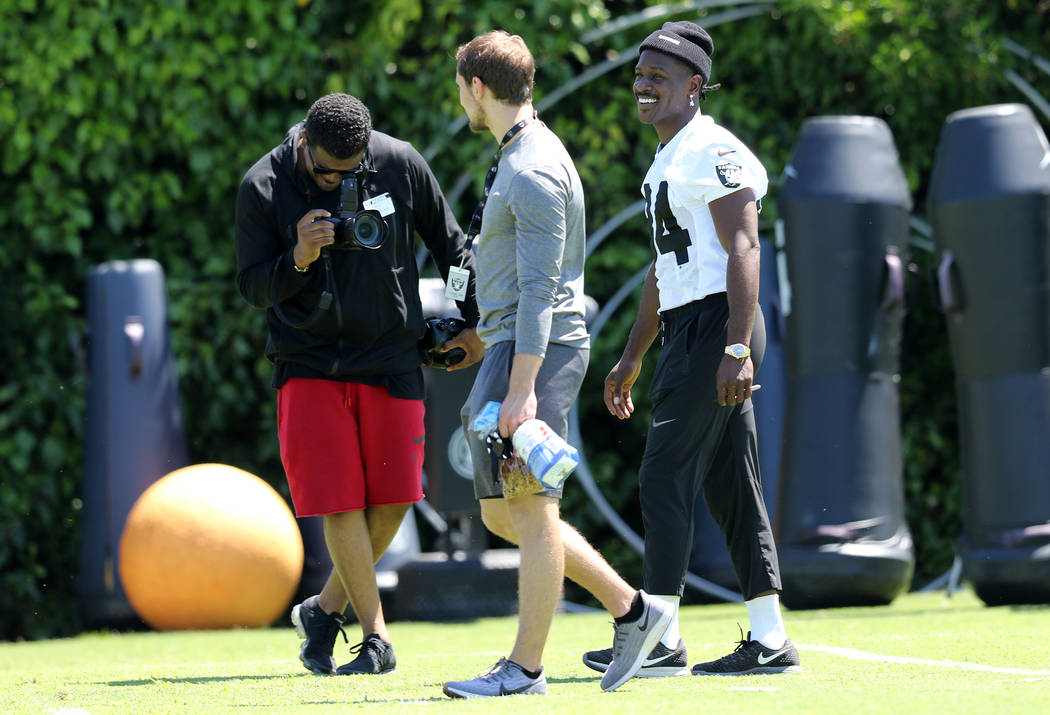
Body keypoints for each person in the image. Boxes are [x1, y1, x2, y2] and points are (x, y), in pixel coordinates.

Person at [440, 31, 673, 700]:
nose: (461, 99)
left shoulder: (533, 167)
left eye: (462, 88)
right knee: (498, 510)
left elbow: (542, 290)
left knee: (532, 506)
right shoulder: (515, 153)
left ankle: (525, 668)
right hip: (508, 349)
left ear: (478, 89)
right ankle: (635, 610)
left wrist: (521, 392)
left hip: (535, 355)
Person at [235, 92, 483, 676]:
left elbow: (452, 246)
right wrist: (297, 256)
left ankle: (324, 611)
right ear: (304, 143)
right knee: (339, 499)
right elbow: (250, 286)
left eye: (348, 172)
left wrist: (477, 321)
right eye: (324, 171)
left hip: (392, 354)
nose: (334, 181)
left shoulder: (397, 162)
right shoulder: (264, 185)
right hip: (308, 360)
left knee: (398, 495)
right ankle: (376, 638)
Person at [583, 20, 801, 677]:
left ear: (694, 85)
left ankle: (659, 637)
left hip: (718, 327)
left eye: (659, 77)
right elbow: (661, 271)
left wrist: (737, 342)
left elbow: (744, 244)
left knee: (662, 473)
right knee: (733, 486)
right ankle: (769, 640)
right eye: (640, 75)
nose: (643, 86)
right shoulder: (667, 159)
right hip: (690, 325)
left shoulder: (712, 148)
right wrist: (630, 355)